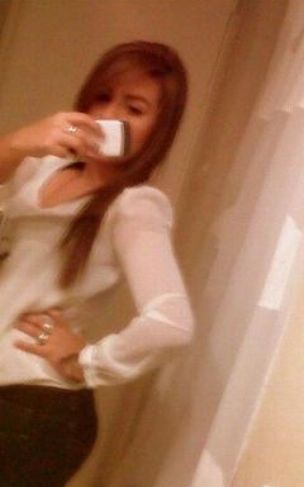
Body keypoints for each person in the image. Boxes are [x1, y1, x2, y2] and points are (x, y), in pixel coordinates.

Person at [0, 40, 195, 486]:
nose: (109, 115)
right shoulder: (40, 171)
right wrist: (20, 142)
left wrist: (85, 360)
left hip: (33, 408)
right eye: (102, 98)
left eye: (134, 108)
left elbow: (171, 323)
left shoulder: (134, 206)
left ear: (158, 129)